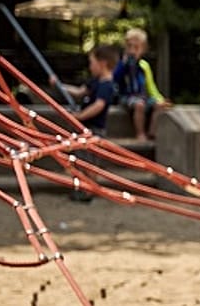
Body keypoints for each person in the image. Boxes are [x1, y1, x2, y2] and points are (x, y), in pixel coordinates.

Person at [49, 44, 121, 201]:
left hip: (95, 129)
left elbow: (99, 105)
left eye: (92, 63)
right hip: (85, 129)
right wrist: (59, 85)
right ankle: (83, 188)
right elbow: (79, 92)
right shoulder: (95, 81)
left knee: (90, 162)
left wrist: (80, 116)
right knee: (81, 159)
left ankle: (90, 190)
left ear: (102, 63)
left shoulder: (107, 85)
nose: (90, 66)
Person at [114, 28, 168, 141]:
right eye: (130, 47)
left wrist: (160, 99)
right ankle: (140, 133)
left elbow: (151, 86)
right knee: (139, 105)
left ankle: (152, 132)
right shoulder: (122, 64)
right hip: (127, 97)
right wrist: (124, 63)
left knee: (159, 105)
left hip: (142, 96)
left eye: (136, 47)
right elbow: (116, 78)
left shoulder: (144, 66)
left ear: (143, 49)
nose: (132, 51)